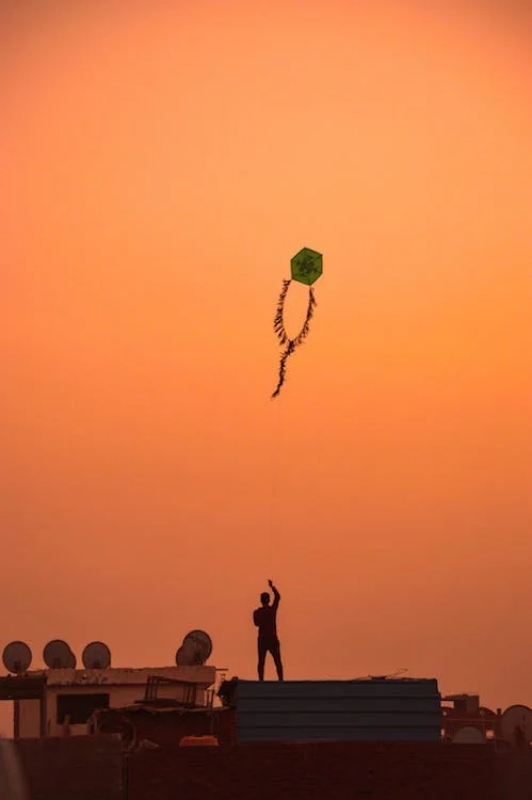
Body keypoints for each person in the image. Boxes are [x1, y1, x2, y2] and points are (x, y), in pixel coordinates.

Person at [253, 579, 284, 681]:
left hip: (262, 639)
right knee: (277, 661)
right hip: (272, 637)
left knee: (261, 662)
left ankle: (261, 680)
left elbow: (256, 623)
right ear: (268, 600)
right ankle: (281, 680)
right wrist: (272, 587)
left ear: (261, 600)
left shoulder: (257, 612)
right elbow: (278, 597)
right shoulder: (272, 610)